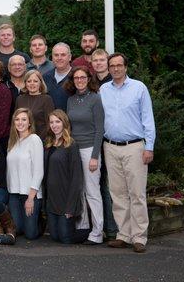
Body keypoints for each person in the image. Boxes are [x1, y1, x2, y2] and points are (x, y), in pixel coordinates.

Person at [100, 53, 156, 253]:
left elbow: (148, 119)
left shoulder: (139, 88)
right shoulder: (103, 90)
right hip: (110, 146)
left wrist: (149, 146)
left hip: (134, 147)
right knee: (118, 193)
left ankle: (139, 236)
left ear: (126, 67)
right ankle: (124, 234)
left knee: (137, 193)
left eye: (119, 65)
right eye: (112, 66)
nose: (115, 69)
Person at [65, 66, 105, 245]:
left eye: (83, 77)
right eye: (76, 78)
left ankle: (98, 232)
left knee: (92, 191)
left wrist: (95, 156)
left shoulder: (95, 99)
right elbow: (69, 127)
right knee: (78, 190)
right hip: (74, 149)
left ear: (89, 79)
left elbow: (100, 129)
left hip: (90, 150)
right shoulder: (71, 100)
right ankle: (83, 228)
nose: (79, 80)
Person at [44, 110, 89, 244]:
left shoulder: (71, 144)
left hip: (66, 200)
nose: (54, 125)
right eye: (51, 122)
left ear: (64, 123)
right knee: (55, 236)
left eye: (57, 121)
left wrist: (71, 207)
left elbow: (77, 177)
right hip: (52, 201)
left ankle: (90, 232)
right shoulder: (48, 143)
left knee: (65, 238)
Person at [90, 48, 117, 238]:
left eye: (102, 60)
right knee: (97, 186)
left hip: (110, 140)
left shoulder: (113, 83)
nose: (99, 63)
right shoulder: (92, 83)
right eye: (95, 60)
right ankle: (101, 227)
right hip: (94, 141)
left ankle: (112, 229)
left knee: (109, 186)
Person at [5, 108, 44, 240]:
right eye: (17, 119)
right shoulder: (12, 142)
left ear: (29, 123)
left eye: (23, 119)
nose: (20, 122)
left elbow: (39, 171)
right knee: (18, 229)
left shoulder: (34, 139)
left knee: (30, 234)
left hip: (30, 193)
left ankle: (40, 221)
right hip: (14, 194)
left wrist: (31, 198)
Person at [15, 70, 55, 141]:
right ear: (25, 83)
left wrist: (38, 140)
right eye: (29, 81)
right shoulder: (19, 99)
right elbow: (15, 121)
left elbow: (49, 123)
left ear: (40, 83)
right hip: (21, 140)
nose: (32, 84)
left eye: (35, 81)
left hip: (41, 140)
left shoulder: (46, 99)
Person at [43, 42, 72, 111]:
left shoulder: (76, 77)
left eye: (63, 55)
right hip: (51, 120)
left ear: (70, 57)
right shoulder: (45, 77)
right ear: (52, 58)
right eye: (56, 55)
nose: (59, 58)